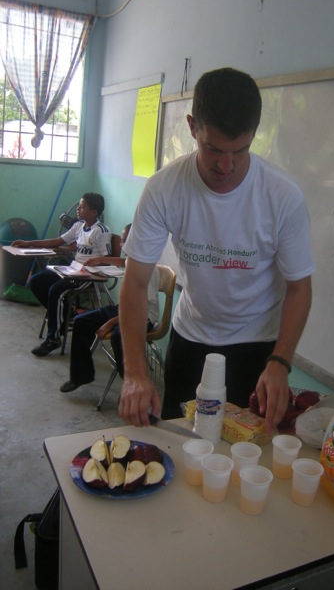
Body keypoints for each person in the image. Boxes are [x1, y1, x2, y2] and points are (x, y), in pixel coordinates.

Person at [119, 67, 315, 433]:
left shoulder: (282, 196)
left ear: (254, 134)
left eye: (239, 151)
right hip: (191, 339)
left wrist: (281, 362)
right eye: (213, 149)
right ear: (193, 127)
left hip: (258, 347)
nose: (226, 165)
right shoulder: (164, 188)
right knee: (181, 445)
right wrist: (134, 372)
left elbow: (299, 287)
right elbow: (134, 282)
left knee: (246, 458)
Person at [59, 224, 160, 393]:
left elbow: (139, 310)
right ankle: (81, 375)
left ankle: (134, 388)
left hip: (143, 316)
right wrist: (101, 259)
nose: (121, 245)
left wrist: (110, 323)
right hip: (126, 309)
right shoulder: (134, 259)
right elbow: (123, 262)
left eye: (124, 241)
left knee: (118, 337)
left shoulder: (147, 268)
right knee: (81, 321)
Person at [12, 193, 111, 356]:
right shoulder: (79, 225)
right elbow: (58, 241)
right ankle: (66, 315)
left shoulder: (101, 231)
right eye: (78, 206)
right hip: (72, 269)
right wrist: (28, 243)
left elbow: (107, 260)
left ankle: (54, 338)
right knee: (36, 282)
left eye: (82, 207)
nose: (77, 209)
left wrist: (92, 263)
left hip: (87, 275)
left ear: (94, 212)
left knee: (56, 291)